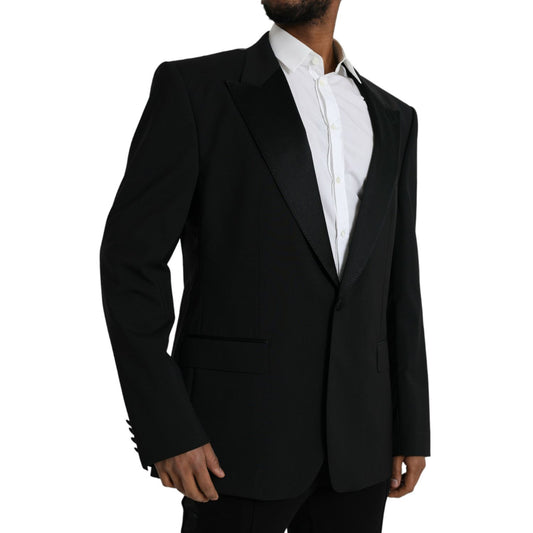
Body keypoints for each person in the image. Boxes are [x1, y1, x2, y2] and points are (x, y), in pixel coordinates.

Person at [99, 1, 431, 531]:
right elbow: (130, 262)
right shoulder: (197, 90)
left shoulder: (395, 118)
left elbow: (399, 279)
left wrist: (411, 425)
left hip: (361, 449)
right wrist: (166, 425)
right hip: (231, 444)